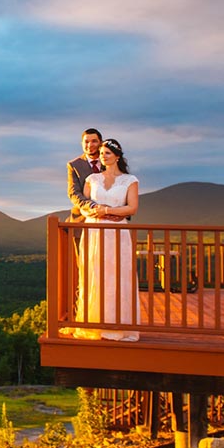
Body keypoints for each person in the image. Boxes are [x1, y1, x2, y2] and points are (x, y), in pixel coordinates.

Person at [75, 138, 140, 341]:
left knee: (117, 274)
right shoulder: (92, 180)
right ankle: (94, 322)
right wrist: (98, 211)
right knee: (95, 273)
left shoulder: (130, 180)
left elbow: (132, 208)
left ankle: (117, 325)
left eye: (107, 153)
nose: (102, 156)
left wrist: (108, 211)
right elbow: (83, 205)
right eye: (101, 153)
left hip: (117, 232)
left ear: (117, 156)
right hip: (94, 230)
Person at [67, 129, 102, 222]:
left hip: (110, 218)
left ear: (100, 143)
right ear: (81, 143)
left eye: (94, 141)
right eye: (86, 142)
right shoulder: (74, 165)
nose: (90, 145)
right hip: (82, 218)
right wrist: (92, 206)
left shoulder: (110, 161)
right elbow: (74, 193)